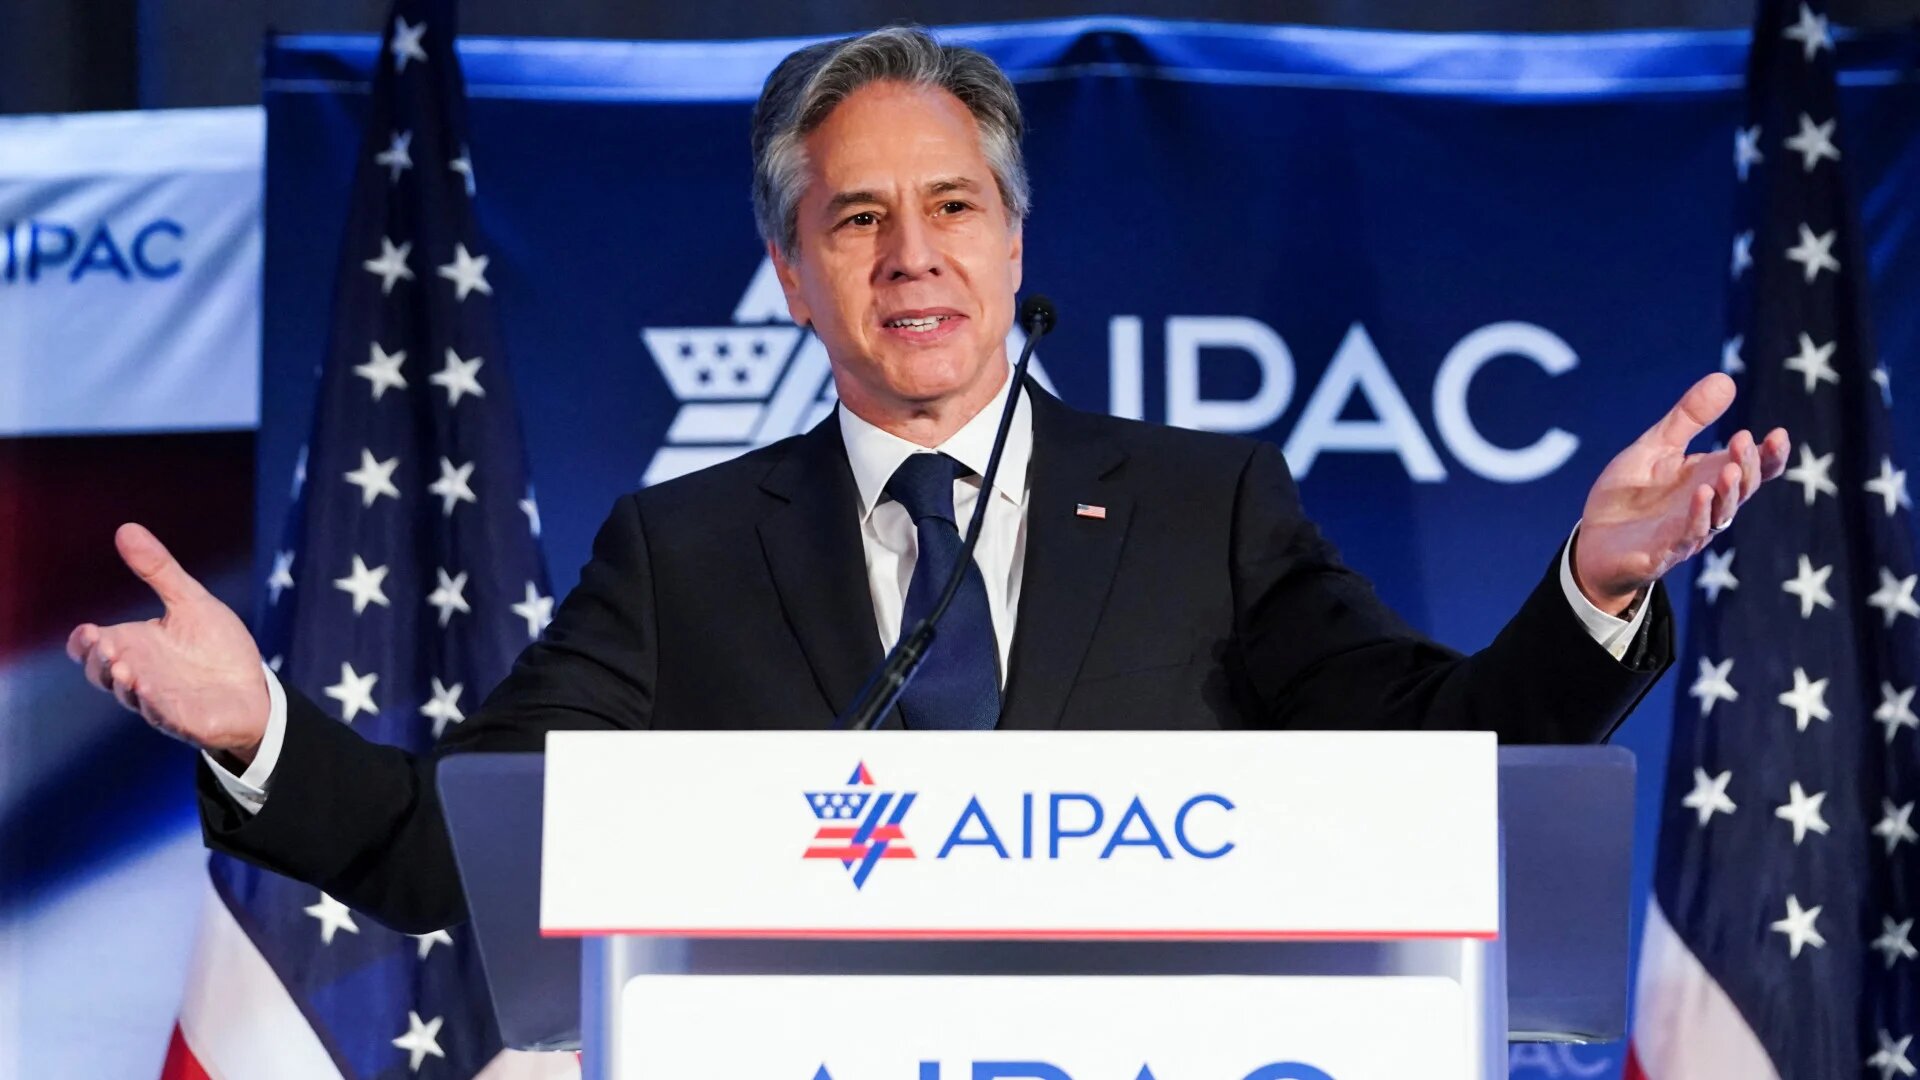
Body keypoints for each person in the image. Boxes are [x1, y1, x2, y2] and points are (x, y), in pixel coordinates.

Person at [69, 27, 1789, 934]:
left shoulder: (1208, 509)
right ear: (793, 277)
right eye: (857, 218)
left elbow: (1444, 760)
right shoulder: (681, 553)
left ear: (1016, 238)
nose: (914, 255)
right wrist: (257, 732)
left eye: (954, 206)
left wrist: (1597, 587)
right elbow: (467, 851)